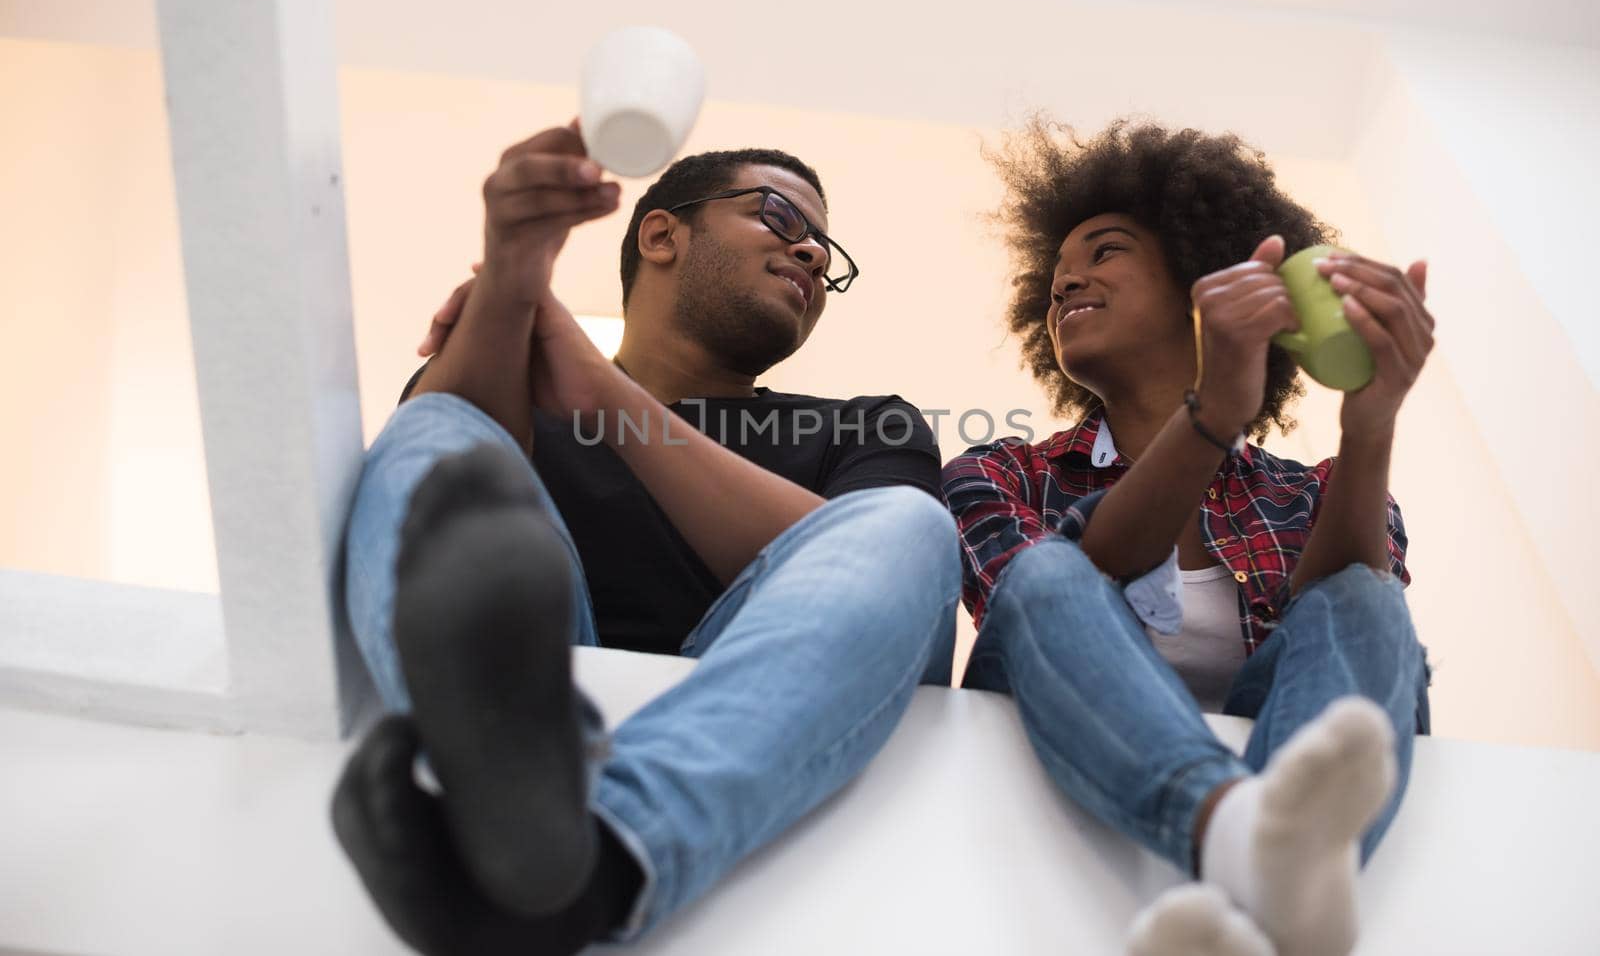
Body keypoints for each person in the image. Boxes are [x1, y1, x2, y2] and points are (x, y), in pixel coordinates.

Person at [332, 121, 959, 955]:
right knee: (437, 428)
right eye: (781, 217)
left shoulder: (865, 425)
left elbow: (881, 569)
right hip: (552, 686)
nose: (813, 255)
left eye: (826, 253)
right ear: (662, 232)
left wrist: (601, 394)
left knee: (910, 521)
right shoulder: (516, 394)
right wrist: (515, 269)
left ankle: (604, 853)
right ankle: (504, 780)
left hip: (763, 695)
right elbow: (440, 440)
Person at [943, 120, 1433, 956]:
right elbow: (1060, 591)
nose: (1068, 284)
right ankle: (1240, 841)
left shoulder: (1312, 488)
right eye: (1056, 277)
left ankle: (1267, 888)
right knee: (1050, 576)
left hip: (1246, 777)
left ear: (1202, 277)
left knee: (1363, 595)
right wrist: (1215, 410)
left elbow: (1346, 621)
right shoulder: (1001, 473)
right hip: (1047, 743)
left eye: (1103, 253)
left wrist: (1371, 421)